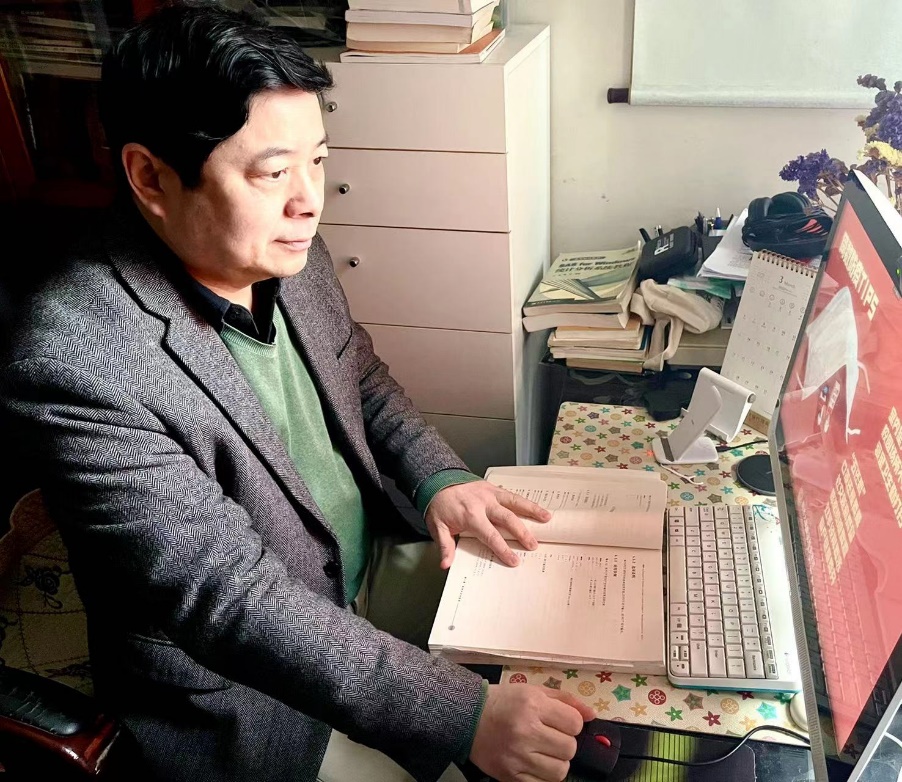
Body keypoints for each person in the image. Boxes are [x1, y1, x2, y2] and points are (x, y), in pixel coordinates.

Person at [0, 3, 595, 781]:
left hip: (362, 566)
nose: (309, 199)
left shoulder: (279, 242)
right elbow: (229, 597)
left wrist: (439, 480)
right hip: (249, 689)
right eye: (273, 172)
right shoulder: (75, 362)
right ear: (150, 177)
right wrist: (461, 716)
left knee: (565, 614)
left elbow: (361, 377)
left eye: (317, 160)